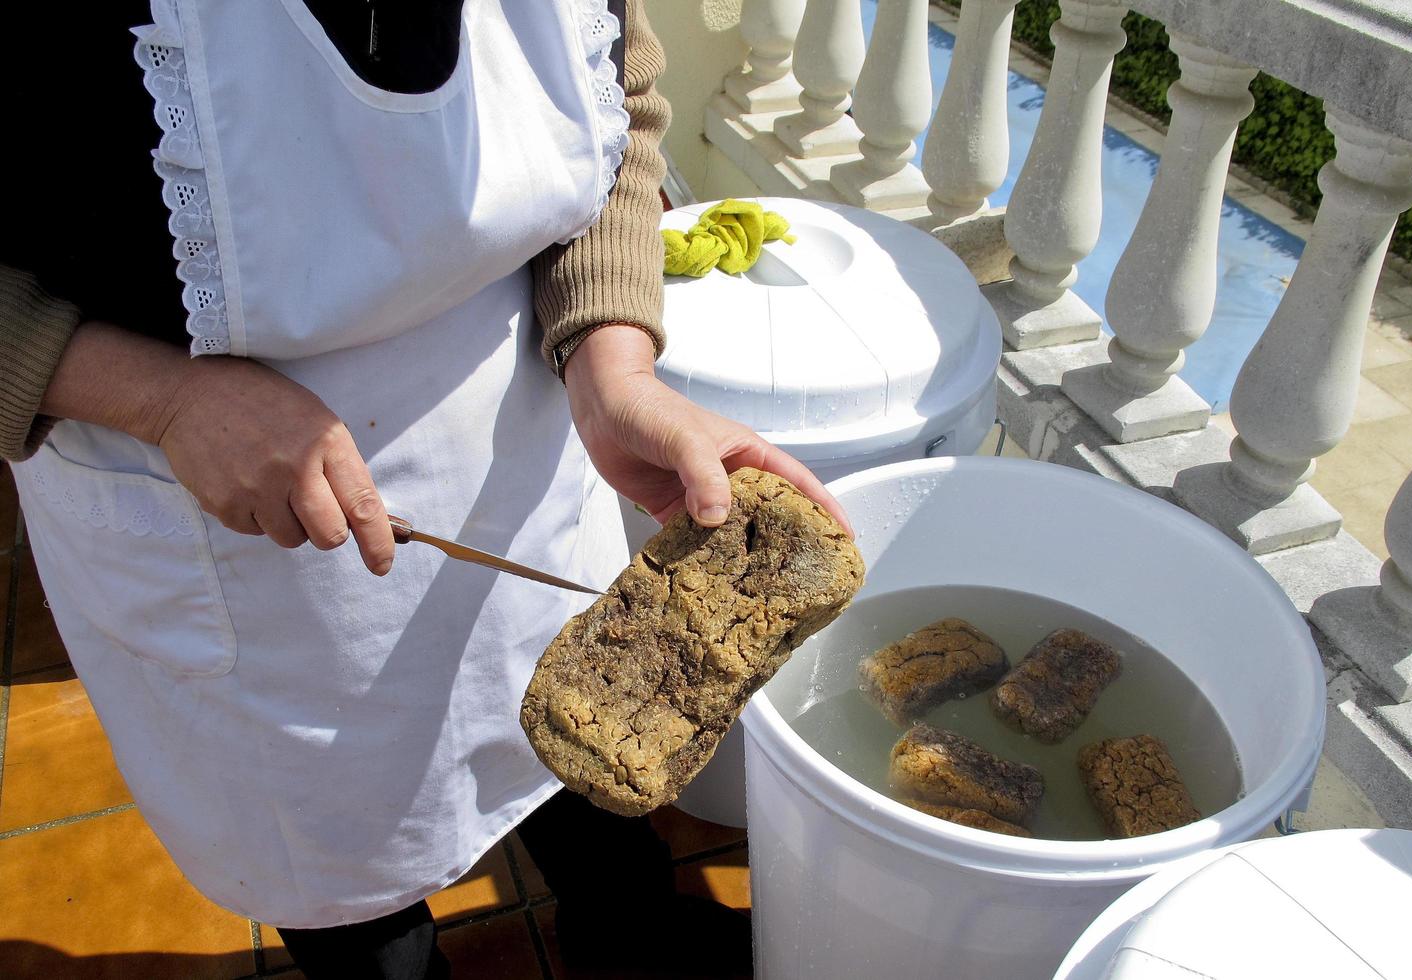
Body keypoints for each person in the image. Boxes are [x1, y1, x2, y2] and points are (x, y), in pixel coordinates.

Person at [0, 3, 850, 977]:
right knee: (357, 896)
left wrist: (610, 357)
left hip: (525, 436)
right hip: (228, 540)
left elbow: (612, 84)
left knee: (592, 775)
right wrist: (161, 404)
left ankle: (630, 937)